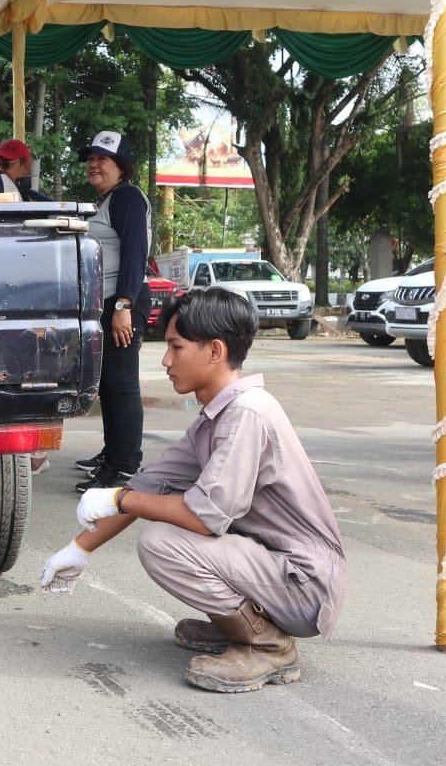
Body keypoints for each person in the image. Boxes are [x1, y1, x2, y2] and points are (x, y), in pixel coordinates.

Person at [38, 288, 347, 694]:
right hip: (275, 568)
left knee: (163, 542)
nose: (166, 361)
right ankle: (239, 624)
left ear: (215, 351)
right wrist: (80, 549)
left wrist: (117, 499)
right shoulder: (217, 417)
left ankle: (268, 644)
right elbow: (148, 486)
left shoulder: (246, 414)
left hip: (303, 584)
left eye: (175, 347)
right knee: (164, 524)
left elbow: (201, 517)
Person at [75, 130, 151, 492]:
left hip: (122, 302)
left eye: (102, 159)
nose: (94, 164)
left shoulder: (128, 199)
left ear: (122, 166)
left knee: (121, 385)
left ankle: (125, 467)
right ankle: (113, 454)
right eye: (91, 158)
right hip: (104, 303)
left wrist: (123, 305)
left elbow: (136, 254)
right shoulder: (106, 201)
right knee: (107, 385)